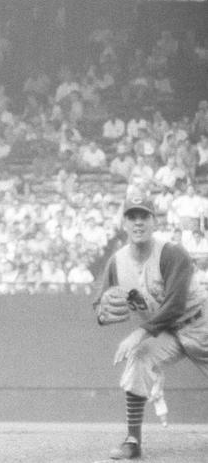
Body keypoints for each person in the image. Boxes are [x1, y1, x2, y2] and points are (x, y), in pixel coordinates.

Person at [94, 195, 208, 460]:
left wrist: (139, 332)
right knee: (139, 357)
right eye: (132, 217)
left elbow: (175, 305)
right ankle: (132, 441)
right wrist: (102, 313)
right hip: (167, 333)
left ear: (154, 221)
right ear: (124, 223)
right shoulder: (117, 262)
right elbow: (100, 304)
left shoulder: (171, 253)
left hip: (200, 323)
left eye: (144, 216)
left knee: (138, 344)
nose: (138, 223)